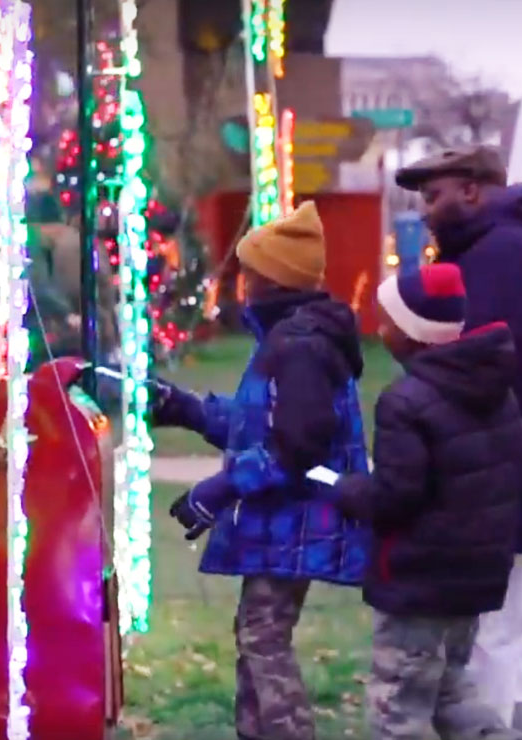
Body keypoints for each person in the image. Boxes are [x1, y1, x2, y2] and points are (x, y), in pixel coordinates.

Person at [139, 201, 370, 740]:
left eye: (248, 272)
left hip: (299, 521)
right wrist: (189, 409)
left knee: (264, 637)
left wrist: (219, 489)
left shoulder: (302, 349)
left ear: (271, 278)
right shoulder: (285, 340)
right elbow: (259, 425)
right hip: (282, 524)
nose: (240, 282)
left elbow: (293, 450)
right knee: (255, 633)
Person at [395, 146, 522, 740]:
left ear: (472, 190)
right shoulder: (501, 249)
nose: (426, 212)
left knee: (488, 635)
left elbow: (484, 362)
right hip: (509, 469)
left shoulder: (506, 255)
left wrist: (416, 357)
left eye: (434, 196)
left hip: (509, 474)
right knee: (494, 631)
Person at [320, 263, 522, 740]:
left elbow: (396, 496)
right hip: (473, 579)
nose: (380, 330)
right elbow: (519, 459)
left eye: (389, 321)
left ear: (413, 333)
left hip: (418, 584)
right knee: (451, 693)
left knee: (399, 709)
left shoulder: (405, 401)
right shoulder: (495, 391)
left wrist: (350, 490)